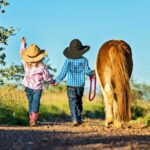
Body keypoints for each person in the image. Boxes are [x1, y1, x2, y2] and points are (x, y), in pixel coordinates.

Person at [53, 39, 95, 126]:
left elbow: (63, 72)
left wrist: (57, 81)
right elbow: (88, 71)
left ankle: (75, 119)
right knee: (79, 101)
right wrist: (94, 73)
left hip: (71, 85)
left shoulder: (68, 60)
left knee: (72, 102)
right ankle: (79, 119)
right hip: (80, 85)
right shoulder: (84, 60)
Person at [21, 40, 54, 126]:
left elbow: (22, 53)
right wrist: (52, 81)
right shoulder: (42, 66)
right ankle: (33, 118)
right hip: (37, 88)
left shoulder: (25, 63)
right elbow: (47, 77)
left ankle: (31, 119)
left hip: (27, 87)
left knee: (30, 102)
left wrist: (23, 44)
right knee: (36, 102)